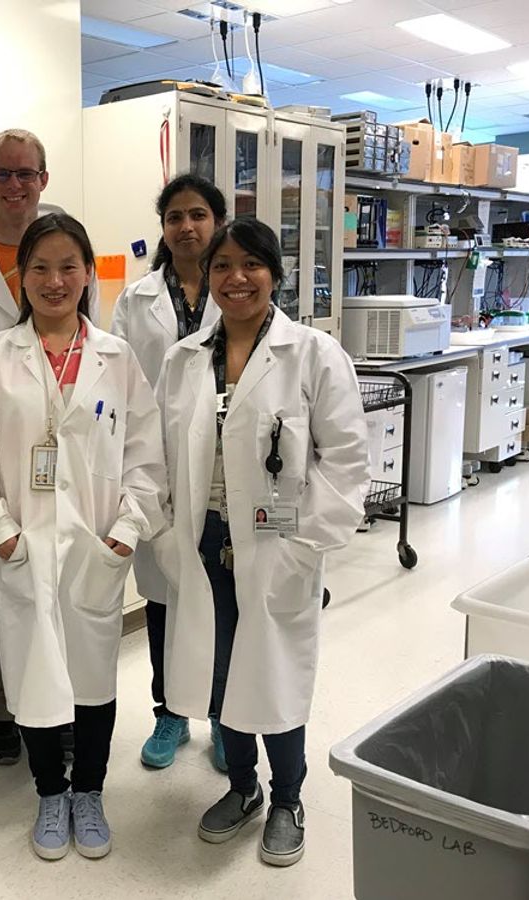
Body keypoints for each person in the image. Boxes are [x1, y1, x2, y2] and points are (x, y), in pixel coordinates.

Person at [156, 217, 368, 868]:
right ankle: (243, 788)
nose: (236, 278)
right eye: (222, 266)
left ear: (276, 274)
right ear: (207, 275)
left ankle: (287, 799)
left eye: (252, 264)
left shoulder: (313, 354)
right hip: (206, 540)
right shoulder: (186, 359)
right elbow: (164, 457)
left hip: (281, 542)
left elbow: (347, 462)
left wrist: (306, 546)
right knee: (224, 676)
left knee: (274, 669)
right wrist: (168, 533)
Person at [0, 213, 166, 861]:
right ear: (21, 277)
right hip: (25, 546)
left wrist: (127, 533)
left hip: (95, 547)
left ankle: (90, 791)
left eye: (68, 266)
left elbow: (144, 454)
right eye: (40, 267)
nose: (54, 280)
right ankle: (51, 792)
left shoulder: (115, 356)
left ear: (85, 273)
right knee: (34, 676)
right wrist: (1, 534)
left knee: (94, 677)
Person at [0, 129, 98, 764]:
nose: (14, 186)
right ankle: (1, 707)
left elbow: (93, 357)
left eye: (26, 174)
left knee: (62, 594)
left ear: (44, 179)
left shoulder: (68, 253)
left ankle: (62, 709)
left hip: (67, 464)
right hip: (1, 462)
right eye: (3, 174)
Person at [109, 172, 226, 773]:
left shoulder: (239, 288)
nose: (186, 226)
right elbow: (119, 381)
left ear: (217, 222)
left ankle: (224, 715)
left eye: (198, 214)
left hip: (223, 468)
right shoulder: (136, 299)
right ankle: (169, 712)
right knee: (161, 595)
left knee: (221, 592)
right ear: (163, 227)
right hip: (157, 462)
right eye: (175, 216)